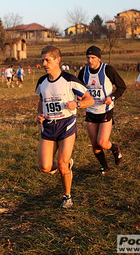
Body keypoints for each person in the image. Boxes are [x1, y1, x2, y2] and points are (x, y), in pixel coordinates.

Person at [35, 45, 94, 208]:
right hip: (48, 126)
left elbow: (90, 100)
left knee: (61, 164)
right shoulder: (42, 82)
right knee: (45, 167)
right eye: (43, 60)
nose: (44, 63)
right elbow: (41, 100)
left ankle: (67, 196)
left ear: (58, 60)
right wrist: (40, 114)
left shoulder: (70, 80)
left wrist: (77, 103)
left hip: (66, 125)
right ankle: (67, 165)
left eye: (48, 60)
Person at [78, 46, 127, 174]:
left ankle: (115, 148)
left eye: (93, 58)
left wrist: (112, 97)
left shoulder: (108, 70)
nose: (90, 60)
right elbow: (78, 88)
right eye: (88, 58)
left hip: (105, 110)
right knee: (95, 145)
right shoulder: (83, 72)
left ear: (99, 58)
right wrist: (79, 96)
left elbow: (122, 86)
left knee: (103, 142)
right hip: (91, 111)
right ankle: (105, 167)